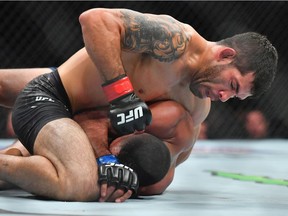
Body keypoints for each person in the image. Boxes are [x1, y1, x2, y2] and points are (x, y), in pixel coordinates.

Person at [0, 8, 278, 202]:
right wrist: (122, 94)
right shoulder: (175, 40)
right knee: (79, 184)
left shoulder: (197, 107)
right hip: (53, 97)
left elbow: (163, 170)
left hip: (72, 127)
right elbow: (95, 20)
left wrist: (128, 173)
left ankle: (17, 159)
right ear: (226, 55)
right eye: (231, 86)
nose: (224, 98)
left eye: (235, 97)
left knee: (51, 172)